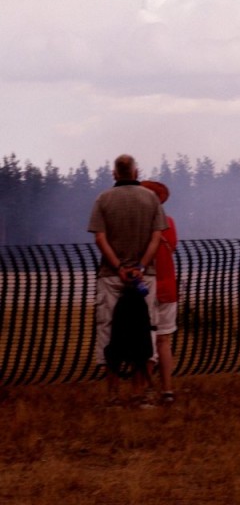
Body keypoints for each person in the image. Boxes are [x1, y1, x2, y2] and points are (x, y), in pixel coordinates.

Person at [88, 154, 167, 406]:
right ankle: (140, 392)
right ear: (136, 172)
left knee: (109, 330)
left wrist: (119, 266)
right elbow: (156, 237)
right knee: (146, 330)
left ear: (114, 174)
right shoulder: (151, 199)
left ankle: (112, 393)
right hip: (145, 277)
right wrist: (141, 266)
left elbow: (100, 238)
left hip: (111, 276)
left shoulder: (103, 199)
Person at [141, 180, 178, 406]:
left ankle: (146, 391)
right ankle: (167, 390)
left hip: (147, 286)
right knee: (164, 340)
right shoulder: (170, 223)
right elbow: (171, 247)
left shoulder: (141, 226)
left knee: (146, 340)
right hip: (168, 286)